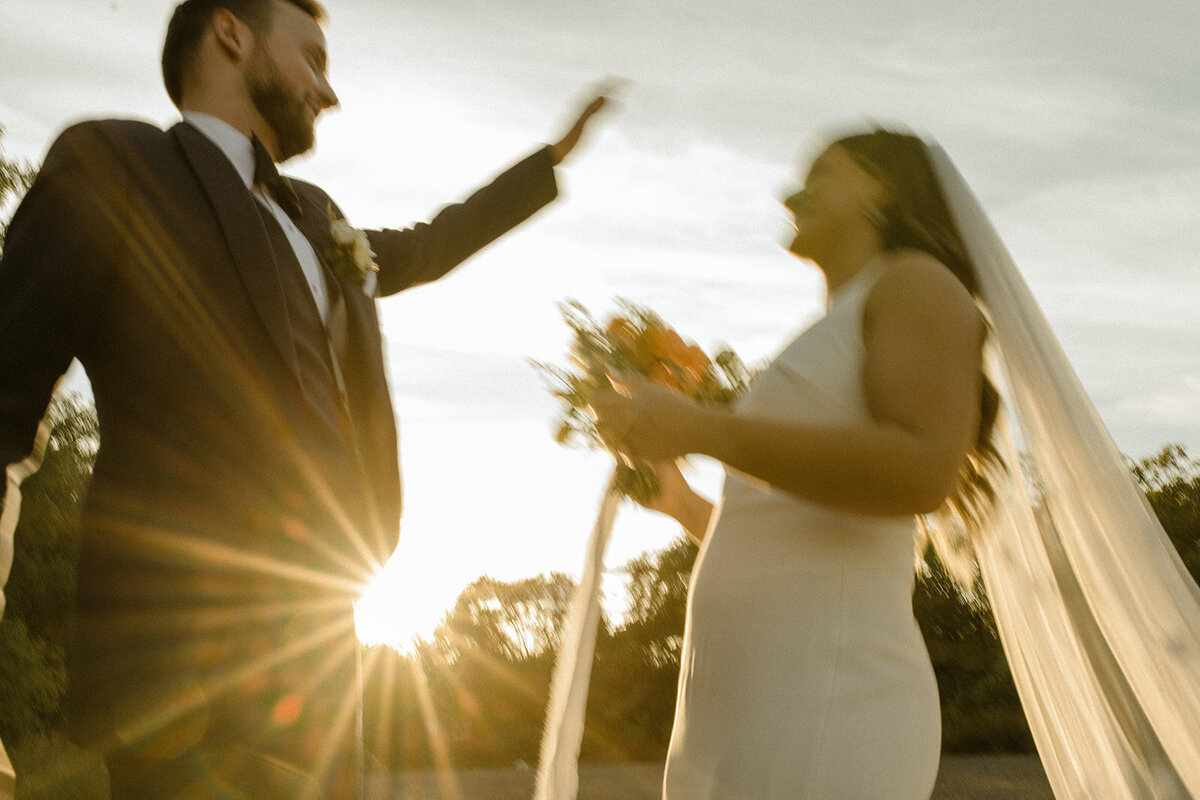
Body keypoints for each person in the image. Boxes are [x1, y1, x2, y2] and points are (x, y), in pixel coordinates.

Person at [0, 0, 609, 795]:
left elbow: (428, 246)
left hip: (322, 660)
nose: (330, 92)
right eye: (314, 59)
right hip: (178, 664)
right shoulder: (115, 162)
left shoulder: (322, 219)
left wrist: (547, 163)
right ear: (230, 34)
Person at [591, 129, 1000, 799]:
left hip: (829, 700)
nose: (790, 194)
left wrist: (703, 428)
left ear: (878, 187)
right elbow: (788, 528)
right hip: (745, 708)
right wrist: (684, 504)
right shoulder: (833, 325)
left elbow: (924, 467)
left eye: (819, 173)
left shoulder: (917, 283)